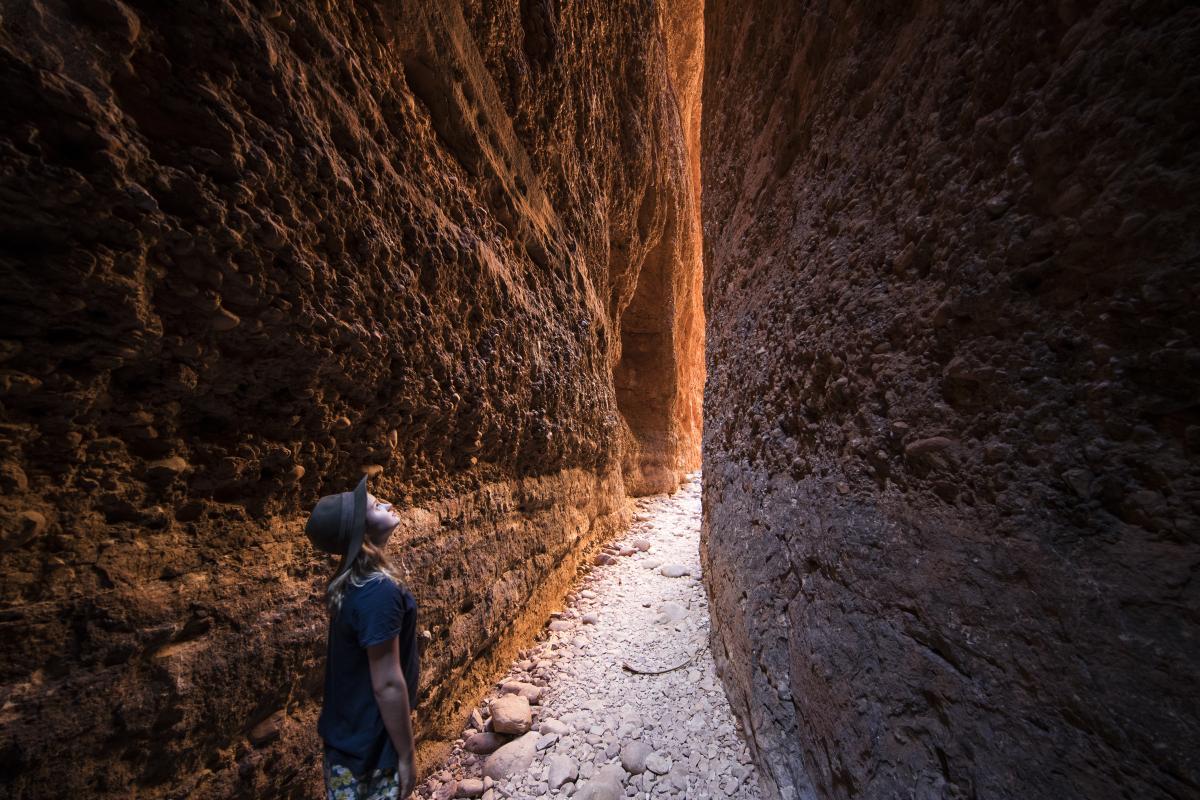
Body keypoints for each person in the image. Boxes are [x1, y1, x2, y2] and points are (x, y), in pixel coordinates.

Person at [305, 475, 419, 800]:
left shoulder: (352, 585)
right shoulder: (377, 593)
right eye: (374, 505)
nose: (385, 502)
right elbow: (387, 684)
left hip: (348, 741)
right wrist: (407, 755)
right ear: (363, 532)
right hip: (370, 751)